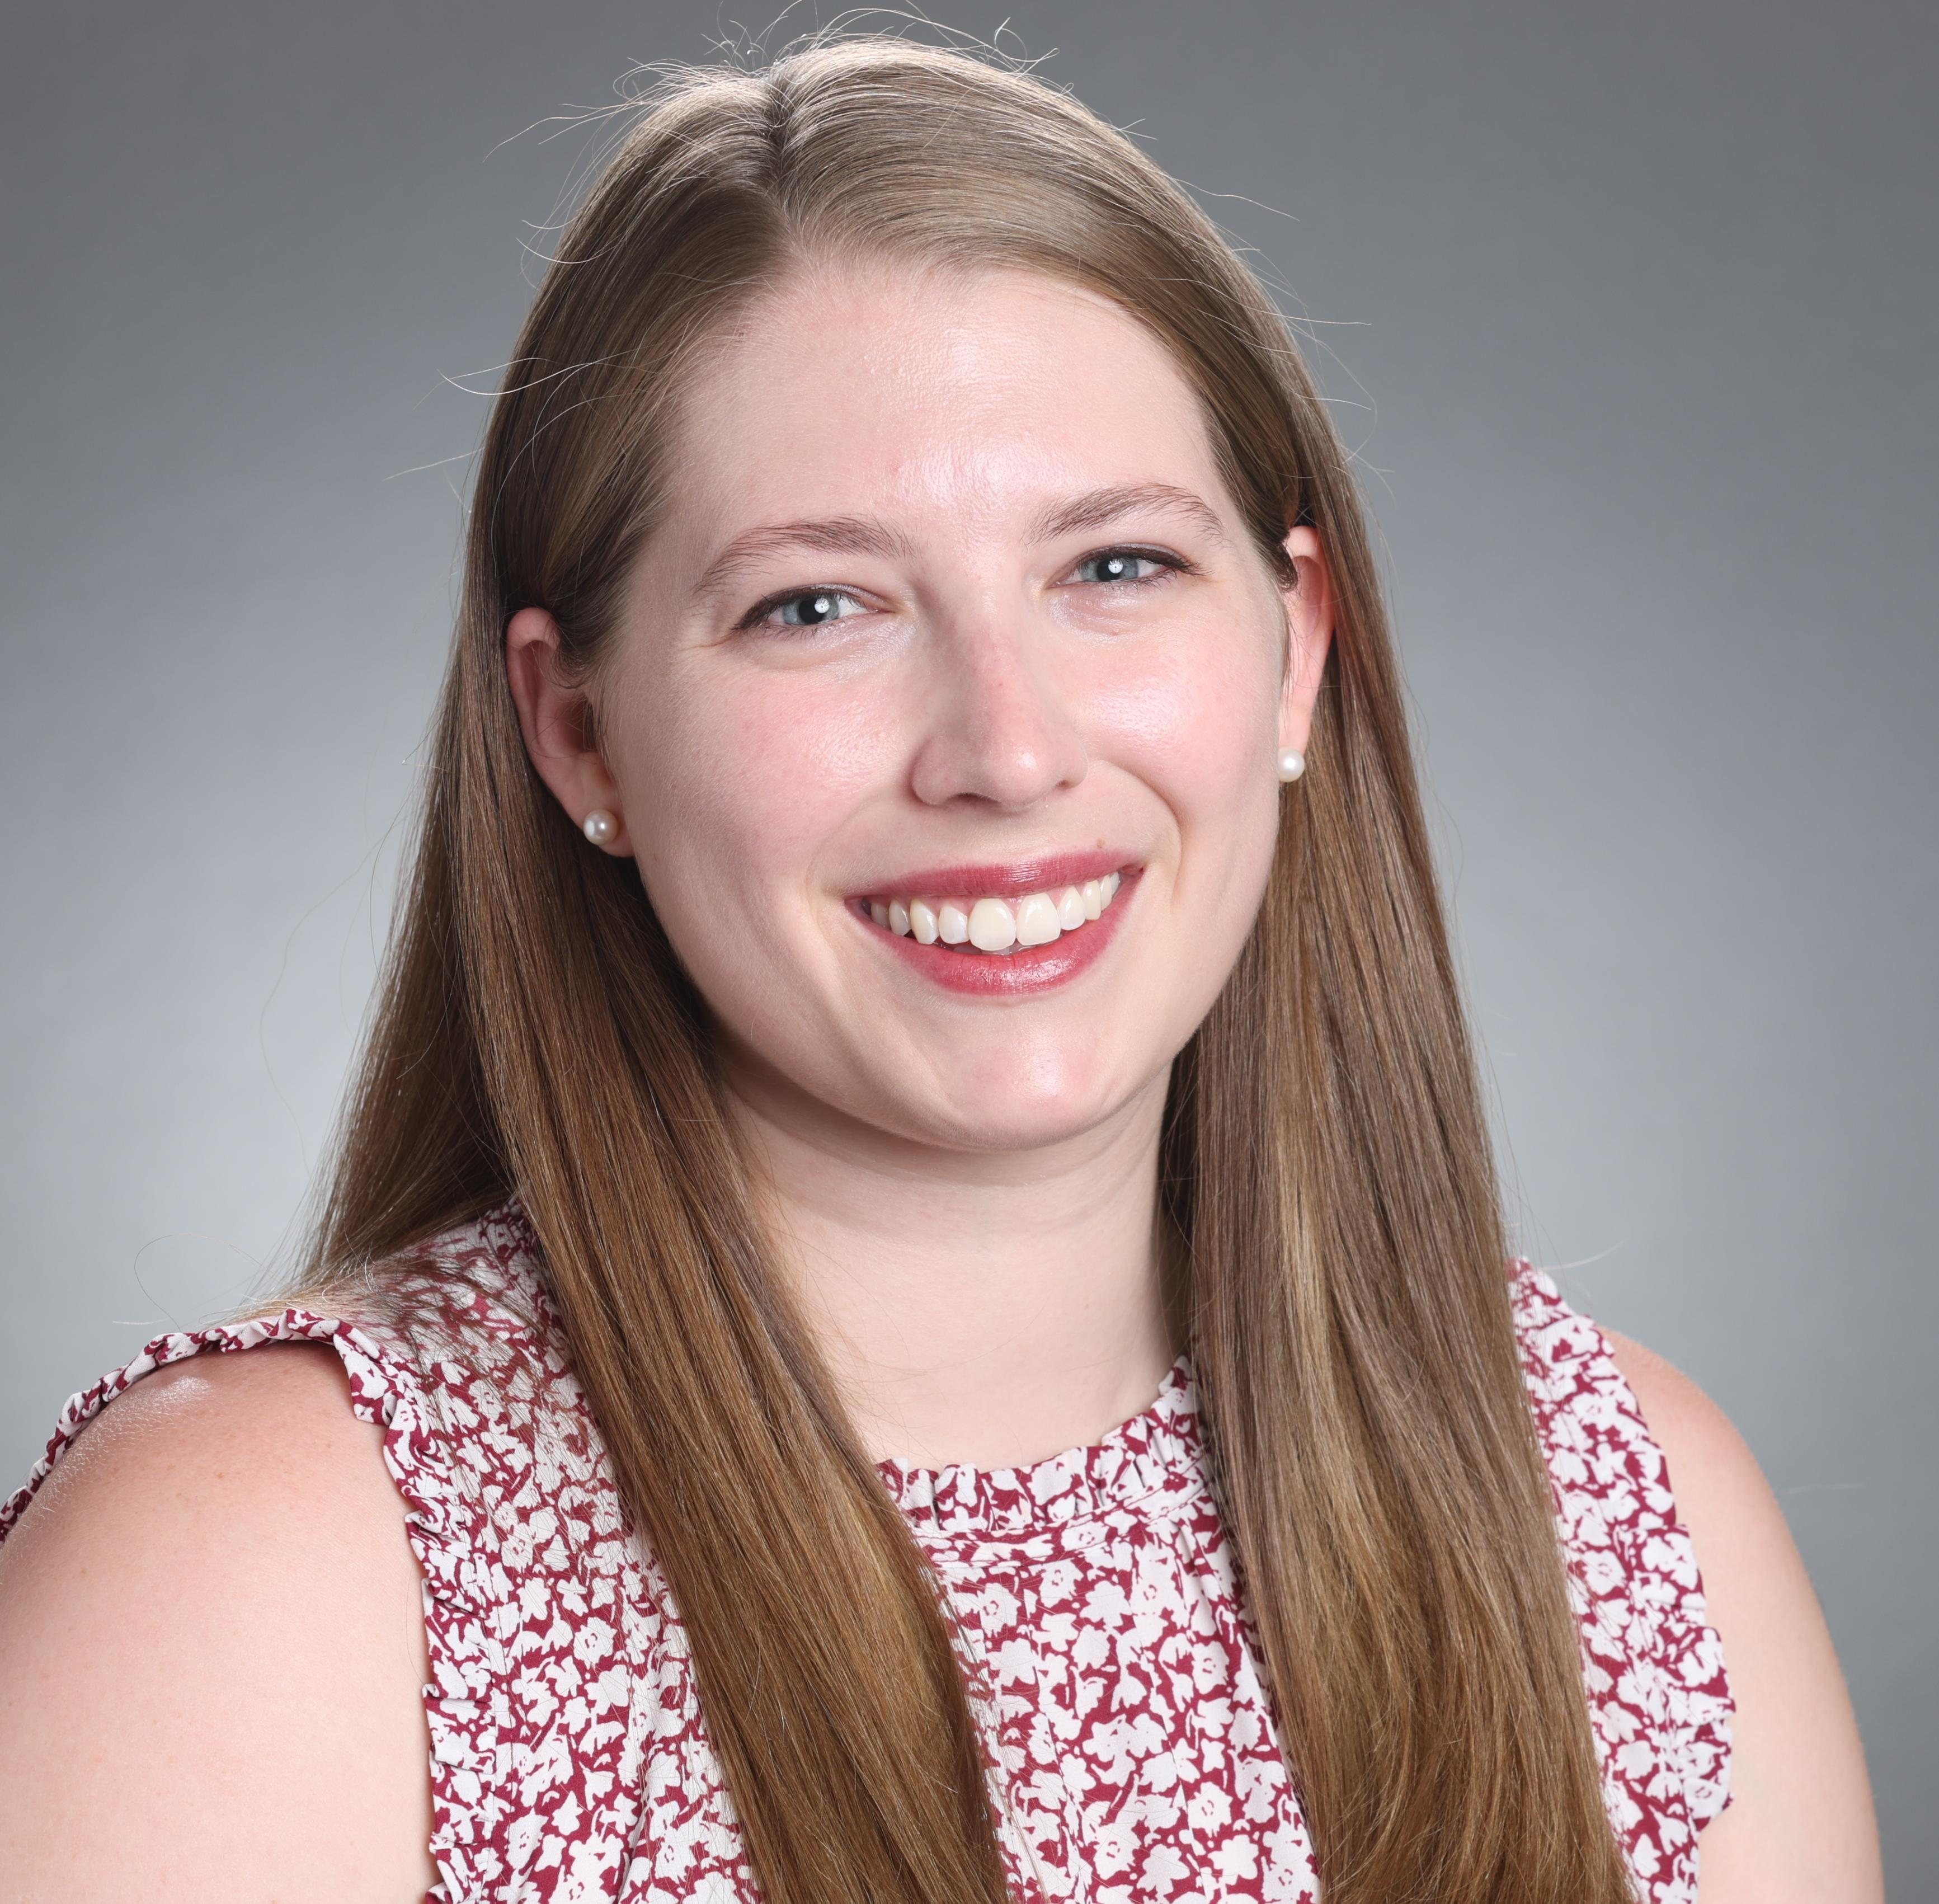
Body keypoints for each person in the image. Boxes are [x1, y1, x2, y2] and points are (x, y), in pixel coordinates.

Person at [0, 36, 1880, 1904]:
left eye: (1115, 569)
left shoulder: (1618, 1507)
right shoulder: (270, 1574)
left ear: (1295, 648)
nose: (1003, 745)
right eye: (815, 604)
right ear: (574, 731)